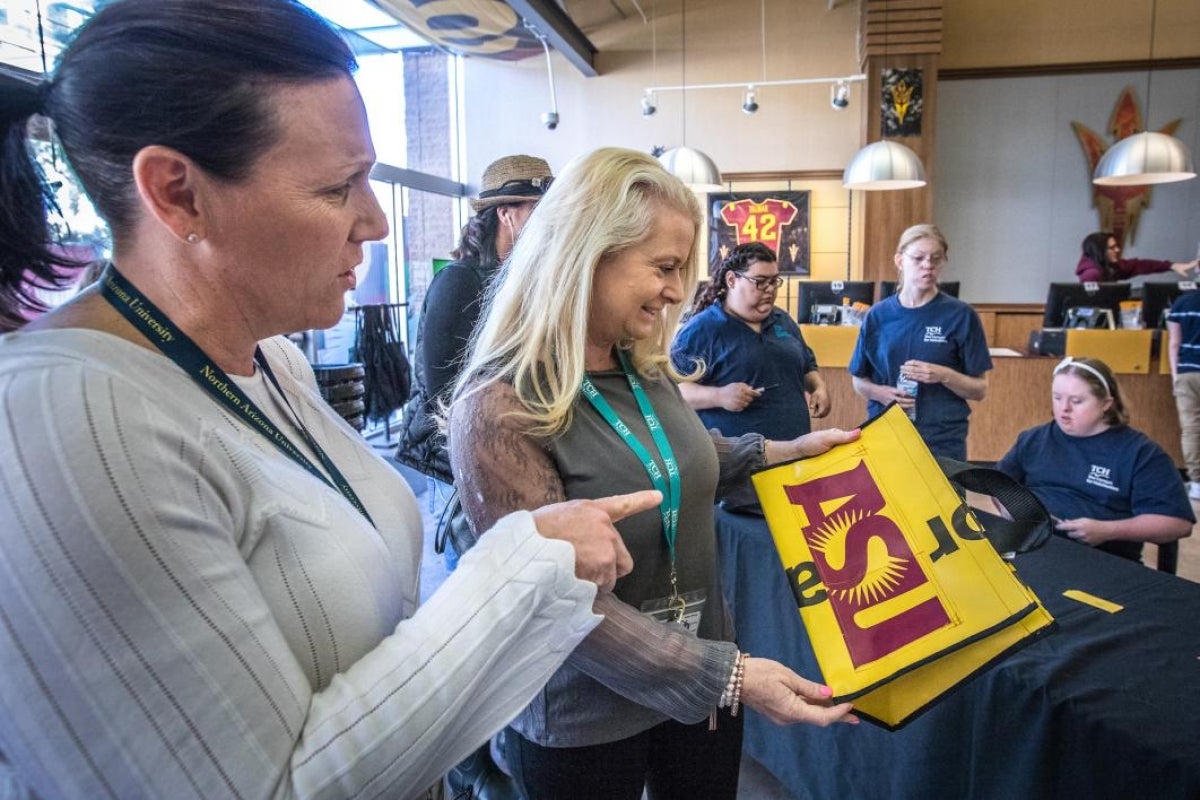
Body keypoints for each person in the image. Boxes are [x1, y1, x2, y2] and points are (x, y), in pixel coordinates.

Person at [0, 2, 655, 797]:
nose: (375, 221)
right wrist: (525, 567)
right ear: (178, 195)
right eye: (338, 186)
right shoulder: (65, 421)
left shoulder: (272, 359)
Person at [447, 147, 858, 800]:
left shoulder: (642, 365)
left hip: (698, 692)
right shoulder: (497, 406)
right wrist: (728, 676)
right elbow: (560, 608)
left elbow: (679, 463)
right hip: (587, 717)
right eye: (664, 267)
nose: (675, 291)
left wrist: (794, 450)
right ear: (589, 253)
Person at [394, 154, 553, 562]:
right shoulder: (460, 281)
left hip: (511, 448)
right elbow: (443, 390)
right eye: (540, 210)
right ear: (506, 213)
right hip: (460, 459)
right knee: (479, 584)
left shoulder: (525, 284)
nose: (552, 222)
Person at [997, 357, 1193, 563]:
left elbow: (1177, 523)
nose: (1064, 409)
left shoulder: (1141, 454)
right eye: (1057, 397)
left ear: (1106, 404)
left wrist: (1107, 530)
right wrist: (1008, 508)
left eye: (1076, 401)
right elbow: (998, 483)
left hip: (1102, 558)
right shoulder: (1034, 439)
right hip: (1031, 547)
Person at [848, 224, 992, 460]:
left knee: (945, 497)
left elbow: (980, 390)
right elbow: (859, 381)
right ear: (899, 260)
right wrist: (882, 394)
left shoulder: (961, 315)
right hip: (888, 432)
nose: (928, 265)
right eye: (918, 258)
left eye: (936, 259)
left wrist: (944, 375)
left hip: (941, 439)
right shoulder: (878, 316)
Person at [671, 241, 830, 440]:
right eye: (760, 281)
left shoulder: (783, 320)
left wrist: (818, 388)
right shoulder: (702, 329)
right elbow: (673, 391)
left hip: (796, 453)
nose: (770, 289)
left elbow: (806, 366)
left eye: (774, 281)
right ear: (731, 280)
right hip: (737, 462)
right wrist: (719, 396)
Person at [1167, 288, 1200, 500]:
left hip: (1187, 372)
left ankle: (1197, 483)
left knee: (1191, 428)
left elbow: (1174, 343)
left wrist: (1175, 376)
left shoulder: (1182, 303)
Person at [1075, 231, 1197, 283]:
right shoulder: (1092, 274)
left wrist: (1172, 266)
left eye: (1116, 246)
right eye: (1112, 248)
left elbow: (1140, 265)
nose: (1117, 250)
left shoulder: (1111, 266)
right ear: (1100, 251)